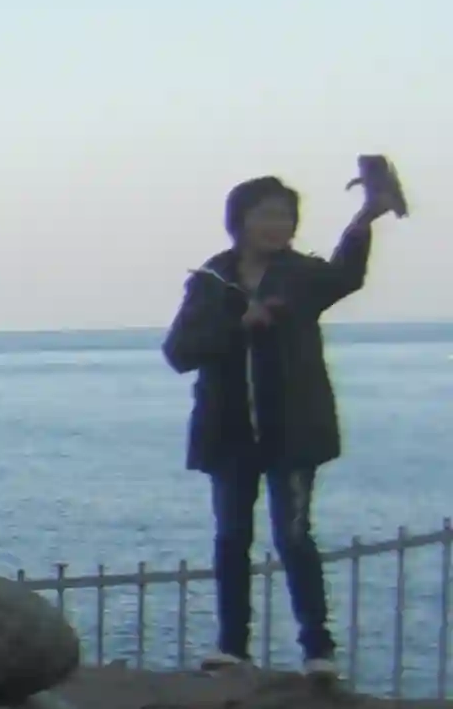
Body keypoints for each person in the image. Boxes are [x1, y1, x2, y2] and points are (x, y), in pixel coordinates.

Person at [162, 161, 404, 677]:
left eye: (286, 216)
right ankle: (232, 647)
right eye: (266, 215)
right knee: (232, 537)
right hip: (227, 433)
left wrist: (366, 217)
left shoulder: (302, 276)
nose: (278, 225)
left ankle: (318, 649)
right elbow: (179, 352)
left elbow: (346, 274)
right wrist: (239, 325)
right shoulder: (210, 281)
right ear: (240, 220)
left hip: (293, 431)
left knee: (294, 535)